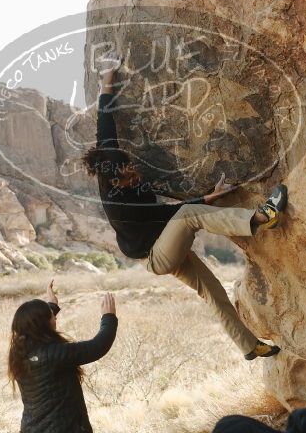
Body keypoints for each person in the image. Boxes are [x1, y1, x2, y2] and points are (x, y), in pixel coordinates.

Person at [82, 52, 287, 361]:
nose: (133, 170)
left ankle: (249, 346)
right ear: (114, 182)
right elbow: (166, 213)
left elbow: (104, 120)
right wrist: (208, 198)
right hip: (156, 256)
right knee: (188, 214)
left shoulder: (109, 158)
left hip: (163, 244)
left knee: (212, 291)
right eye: (128, 173)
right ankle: (259, 219)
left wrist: (107, 78)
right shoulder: (117, 205)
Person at [9, 279, 118, 433]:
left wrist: (52, 305)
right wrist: (109, 317)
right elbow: (98, 345)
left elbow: (35, 325)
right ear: (45, 324)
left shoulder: (19, 351)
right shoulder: (55, 354)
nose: (54, 319)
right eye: (51, 317)